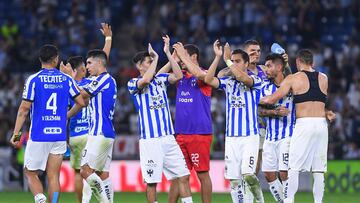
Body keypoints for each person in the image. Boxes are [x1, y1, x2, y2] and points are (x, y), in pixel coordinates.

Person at [9, 44, 85, 203]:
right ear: (56, 59)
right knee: (53, 177)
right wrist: (66, 116)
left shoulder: (33, 80)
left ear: (39, 59)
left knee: (30, 173)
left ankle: (39, 197)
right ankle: (53, 201)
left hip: (38, 134)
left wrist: (16, 134)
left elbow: (24, 109)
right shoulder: (66, 80)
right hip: (58, 135)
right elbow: (81, 102)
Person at [260, 49, 336, 203]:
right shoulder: (324, 78)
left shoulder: (293, 78)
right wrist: (327, 113)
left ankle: (288, 201)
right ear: (313, 62)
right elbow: (316, 100)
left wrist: (260, 99)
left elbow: (271, 100)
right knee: (319, 170)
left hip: (304, 125)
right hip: (321, 125)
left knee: (293, 169)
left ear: (297, 62)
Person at [127, 36, 193, 203]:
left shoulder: (161, 80)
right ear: (139, 66)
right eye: (149, 62)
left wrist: (168, 55)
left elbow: (178, 75)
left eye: (152, 61)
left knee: (183, 176)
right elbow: (146, 79)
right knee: (152, 182)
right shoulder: (133, 83)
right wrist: (157, 58)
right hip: (150, 141)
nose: (153, 64)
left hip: (169, 139)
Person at [204, 40, 264, 203]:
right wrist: (217, 58)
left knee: (248, 174)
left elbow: (241, 76)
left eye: (238, 61)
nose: (235, 64)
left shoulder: (256, 81)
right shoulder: (228, 83)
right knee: (234, 180)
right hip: (231, 138)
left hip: (249, 136)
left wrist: (228, 60)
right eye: (233, 60)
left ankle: (259, 199)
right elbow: (209, 79)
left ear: (246, 63)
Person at [62, 22, 113, 203]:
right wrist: (108, 38)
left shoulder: (96, 81)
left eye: (90, 63)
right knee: (102, 173)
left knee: (82, 171)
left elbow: (80, 95)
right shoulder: (94, 80)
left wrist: (68, 77)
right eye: (86, 65)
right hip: (98, 132)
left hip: (93, 132)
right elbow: (103, 57)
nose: (88, 67)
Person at [158, 42, 213, 203]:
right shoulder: (180, 76)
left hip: (199, 133)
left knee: (202, 174)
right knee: (178, 175)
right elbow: (157, 78)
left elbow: (202, 76)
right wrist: (171, 57)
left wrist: (182, 56)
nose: (181, 60)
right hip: (180, 134)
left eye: (183, 55)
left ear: (194, 57)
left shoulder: (203, 74)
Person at [258, 54, 295, 202]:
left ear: (279, 67)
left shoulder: (292, 85)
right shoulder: (264, 87)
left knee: (284, 172)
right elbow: (259, 111)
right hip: (270, 137)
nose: (265, 69)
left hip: (287, 135)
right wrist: (274, 111)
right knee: (268, 174)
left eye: (269, 66)